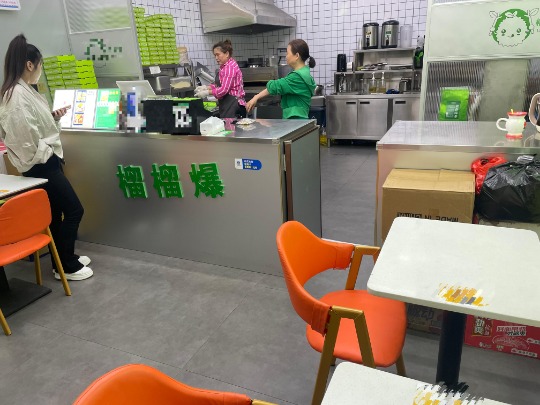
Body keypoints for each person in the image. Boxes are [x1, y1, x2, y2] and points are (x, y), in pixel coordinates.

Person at [0, 34, 93, 281]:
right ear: (30, 64)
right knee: (74, 210)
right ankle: (68, 266)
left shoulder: (24, 91)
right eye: (40, 65)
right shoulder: (16, 96)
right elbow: (25, 141)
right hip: (41, 165)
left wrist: (52, 118)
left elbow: (34, 128)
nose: (40, 70)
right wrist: (48, 151)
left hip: (46, 160)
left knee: (57, 213)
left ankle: (61, 260)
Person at [246, 39, 316, 119]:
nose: (286, 56)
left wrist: (255, 97)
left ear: (296, 56)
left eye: (287, 53)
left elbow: (275, 86)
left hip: (295, 121)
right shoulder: (305, 73)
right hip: (300, 119)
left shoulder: (297, 77)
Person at [194, 40, 246, 118]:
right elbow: (220, 84)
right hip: (228, 104)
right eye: (215, 55)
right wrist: (206, 87)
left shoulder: (229, 68)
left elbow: (224, 90)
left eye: (218, 55)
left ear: (227, 54)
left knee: (231, 125)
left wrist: (207, 92)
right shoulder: (224, 67)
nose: (216, 58)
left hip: (233, 105)